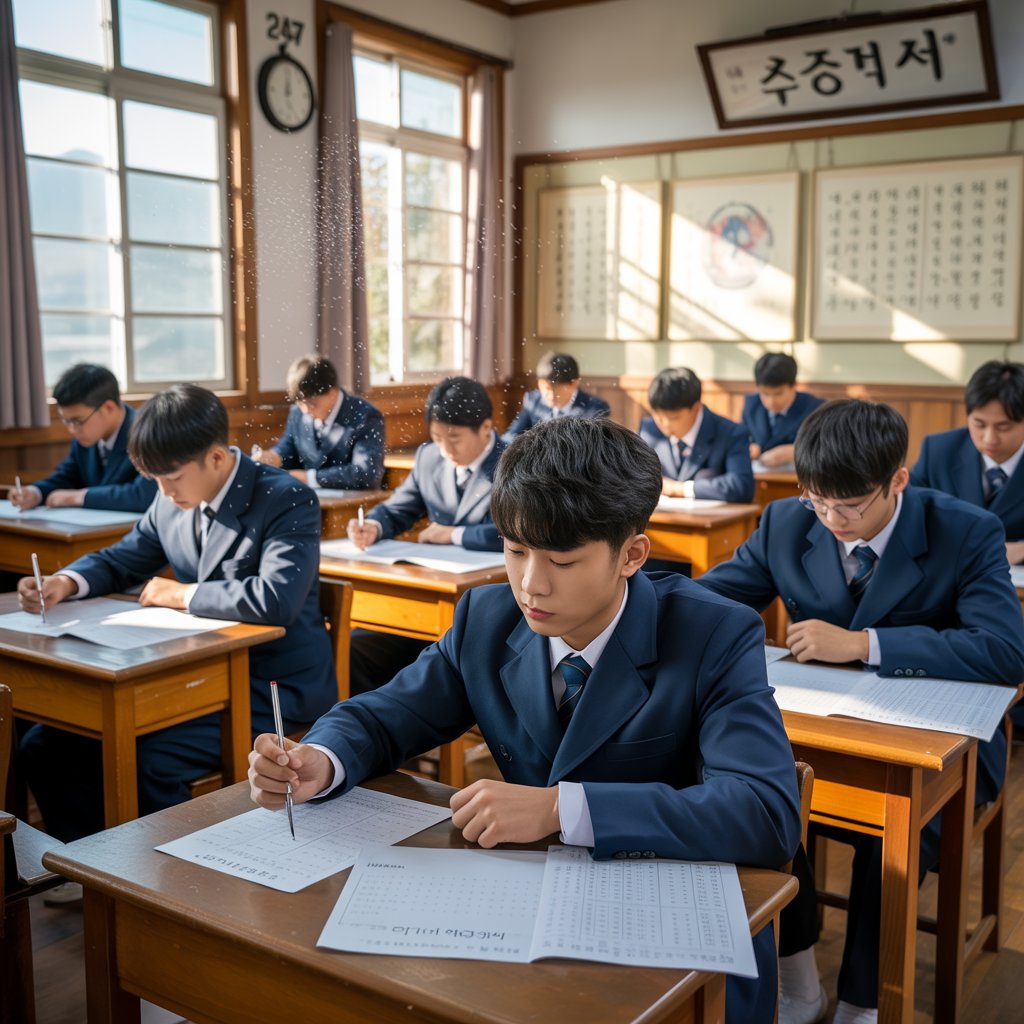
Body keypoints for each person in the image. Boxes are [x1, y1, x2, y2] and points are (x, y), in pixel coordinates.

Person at [248, 416, 802, 1024]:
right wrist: (321, 760)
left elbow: (764, 811)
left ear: (631, 555)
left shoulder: (713, 633)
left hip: (672, 941)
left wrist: (562, 808)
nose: (531, 585)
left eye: (562, 561)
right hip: (519, 919)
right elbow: (388, 714)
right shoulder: (486, 617)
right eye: (515, 551)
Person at [697, 399, 1024, 1024]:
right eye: (817, 501)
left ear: (897, 480)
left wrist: (864, 645)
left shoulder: (965, 530)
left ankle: (863, 1001)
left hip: (938, 749)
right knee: (761, 797)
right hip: (820, 731)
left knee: (893, 832)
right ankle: (798, 982)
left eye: (848, 506)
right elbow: (712, 597)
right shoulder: (786, 521)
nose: (831, 520)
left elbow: (1005, 651)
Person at [17, 384, 337, 848]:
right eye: (155, 480)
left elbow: (276, 599)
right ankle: (95, 861)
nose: (164, 492)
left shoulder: (285, 498)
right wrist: (65, 582)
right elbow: (122, 558)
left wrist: (183, 594)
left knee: (148, 759)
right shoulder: (170, 498)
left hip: (269, 686)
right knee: (45, 745)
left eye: (171, 478)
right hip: (193, 674)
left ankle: (171, 870)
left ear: (215, 457)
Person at [345, 376, 506, 694]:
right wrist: (373, 526)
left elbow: (518, 531)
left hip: (487, 603)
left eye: (455, 438)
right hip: (435, 592)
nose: (445, 449)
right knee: (357, 647)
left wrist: (455, 535)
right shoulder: (429, 457)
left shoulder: (515, 461)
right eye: (437, 437)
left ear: (486, 428)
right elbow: (399, 508)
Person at [911, 360, 1024, 565]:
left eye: (1003, 427)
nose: (989, 438)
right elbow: (908, 515)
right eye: (979, 424)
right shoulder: (938, 451)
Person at [10, 363, 156, 513]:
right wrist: (35, 493)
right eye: (66, 421)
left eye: (77, 421)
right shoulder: (88, 435)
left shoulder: (148, 433)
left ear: (108, 408)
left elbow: (144, 495)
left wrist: (78, 497)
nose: (72, 429)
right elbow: (68, 476)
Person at [253, 354, 385, 491]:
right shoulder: (297, 413)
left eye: (312, 404)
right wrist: (273, 457)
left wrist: (310, 478)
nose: (305, 410)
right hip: (307, 497)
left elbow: (366, 474)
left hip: (352, 500)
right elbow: (288, 447)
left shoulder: (365, 416)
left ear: (332, 393)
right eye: (300, 403)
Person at [639, 367, 754, 502]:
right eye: (657, 416)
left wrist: (681, 489)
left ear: (696, 408)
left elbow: (741, 486)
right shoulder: (649, 430)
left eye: (673, 418)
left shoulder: (731, 434)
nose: (664, 424)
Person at [743, 353, 823, 468]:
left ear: (793, 385)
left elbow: (825, 449)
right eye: (765, 393)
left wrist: (795, 451)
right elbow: (743, 437)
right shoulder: (751, 404)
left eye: (778, 394)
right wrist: (751, 447)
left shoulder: (816, 409)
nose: (771, 401)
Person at [503, 352, 610, 439]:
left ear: (574, 384)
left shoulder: (594, 409)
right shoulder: (533, 401)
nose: (551, 395)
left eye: (557, 390)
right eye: (546, 389)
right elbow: (512, 436)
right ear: (539, 383)